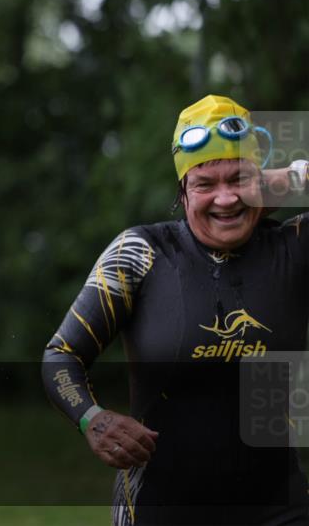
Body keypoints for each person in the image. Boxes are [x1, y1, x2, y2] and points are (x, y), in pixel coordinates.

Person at [42, 95, 309, 526]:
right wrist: (93, 418)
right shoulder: (140, 253)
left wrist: (293, 178)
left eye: (238, 179)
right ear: (183, 191)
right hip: (158, 507)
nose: (224, 199)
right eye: (205, 184)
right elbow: (61, 356)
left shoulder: (294, 247)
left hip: (279, 508)